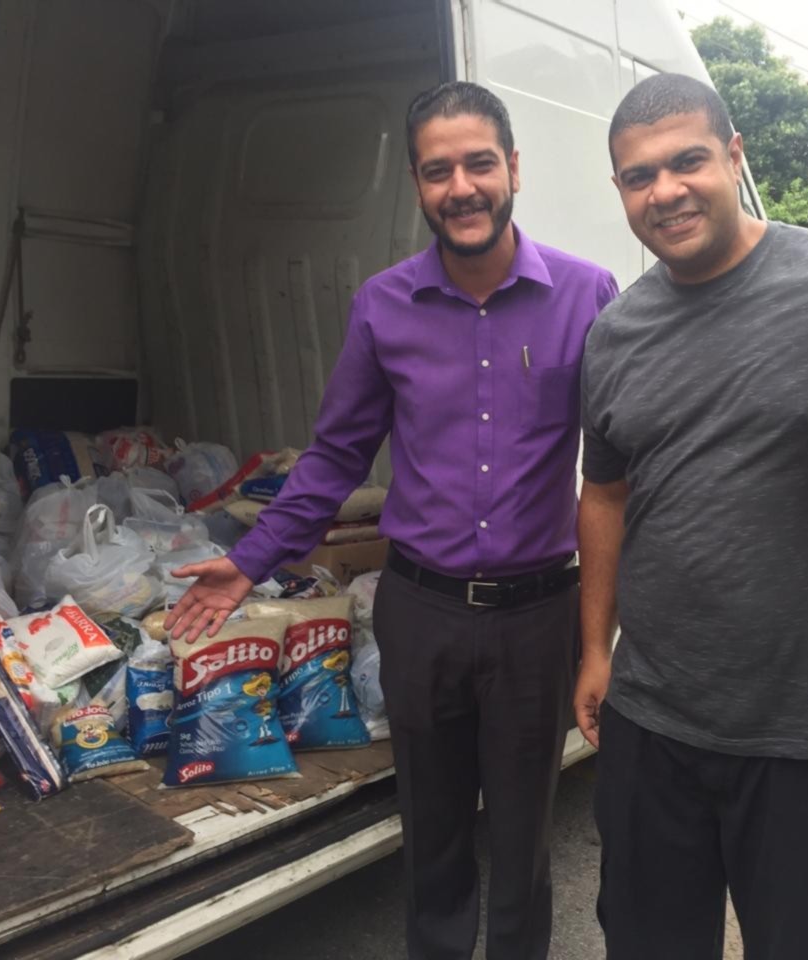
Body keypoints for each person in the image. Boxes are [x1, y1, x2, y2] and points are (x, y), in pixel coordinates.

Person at [165, 81, 617, 960]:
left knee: (523, 843)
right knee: (433, 839)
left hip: (537, 619)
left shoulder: (585, 294)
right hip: (422, 614)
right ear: (417, 184)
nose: (462, 187)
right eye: (438, 171)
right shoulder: (383, 304)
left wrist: (606, 632)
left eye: (479, 164)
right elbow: (337, 456)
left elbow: (618, 467)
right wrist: (251, 560)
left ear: (513, 167)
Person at [575, 72, 808, 960]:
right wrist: (594, 648)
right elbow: (604, 493)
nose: (666, 190)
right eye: (639, 176)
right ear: (620, 190)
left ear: (733, 155)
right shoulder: (616, 333)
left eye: (687, 162)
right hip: (653, 714)